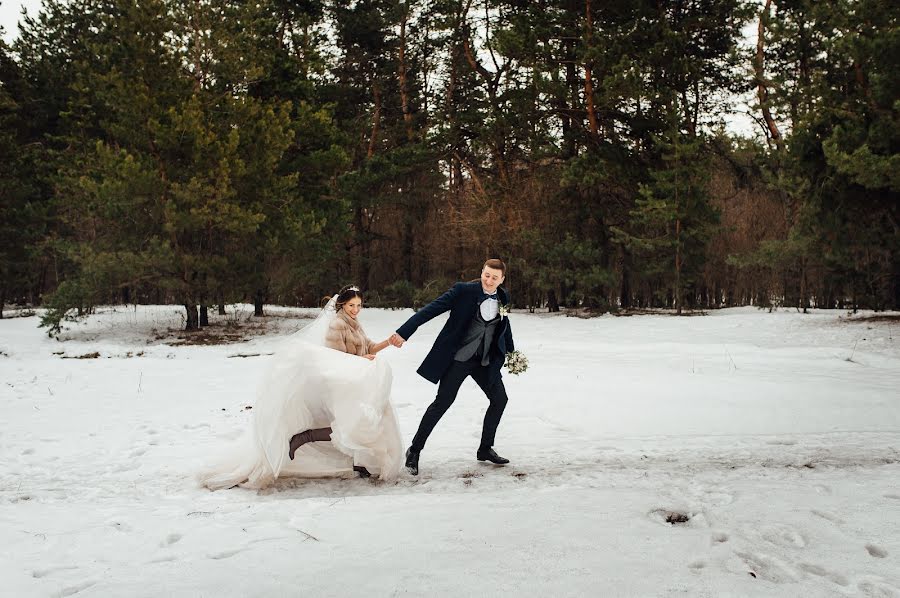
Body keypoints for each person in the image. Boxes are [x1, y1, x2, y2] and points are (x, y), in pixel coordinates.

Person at [199, 286, 403, 490]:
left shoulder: (355, 324)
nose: (355, 309)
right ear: (342, 304)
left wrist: (388, 342)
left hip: (354, 381)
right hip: (340, 383)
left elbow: (369, 346)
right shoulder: (338, 325)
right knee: (349, 423)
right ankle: (306, 437)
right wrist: (361, 359)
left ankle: (358, 462)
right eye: (351, 305)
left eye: (359, 306)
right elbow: (336, 358)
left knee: (360, 421)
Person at [389, 259, 515, 475]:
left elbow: (503, 327)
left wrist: (511, 352)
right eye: (486, 275)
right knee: (443, 402)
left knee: (500, 399)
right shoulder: (463, 291)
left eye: (495, 277)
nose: (489, 280)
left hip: (484, 360)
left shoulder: (502, 297)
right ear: (481, 272)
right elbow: (430, 310)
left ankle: (485, 448)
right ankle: (415, 450)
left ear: (502, 279)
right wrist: (403, 332)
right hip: (459, 358)